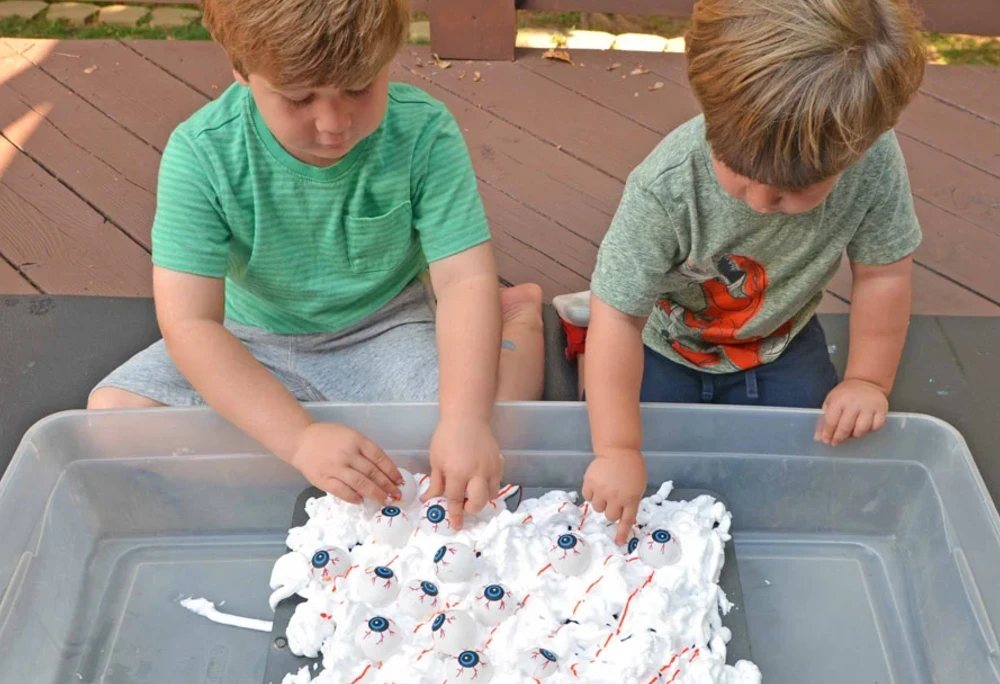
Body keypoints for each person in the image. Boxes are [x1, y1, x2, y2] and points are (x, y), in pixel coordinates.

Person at [87, 0, 544, 530]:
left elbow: (464, 281)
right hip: (248, 337)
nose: (335, 124)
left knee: (490, 436)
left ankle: (522, 321)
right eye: (299, 98)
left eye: (359, 88)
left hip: (383, 328)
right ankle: (332, 452)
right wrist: (298, 439)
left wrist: (465, 422)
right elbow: (189, 323)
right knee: (115, 419)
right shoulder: (201, 154)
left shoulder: (423, 133)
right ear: (241, 71)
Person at [559, 0, 925, 540]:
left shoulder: (870, 159)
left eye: (790, 190)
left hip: (782, 339)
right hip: (664, 342)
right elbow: (618, 318)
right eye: (738, 172)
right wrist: (617, 450)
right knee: (646, 469)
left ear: (858, 148)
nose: (758, 200)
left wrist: (868, 380)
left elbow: (884, 275)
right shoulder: (666, 187)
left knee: (809, 469)